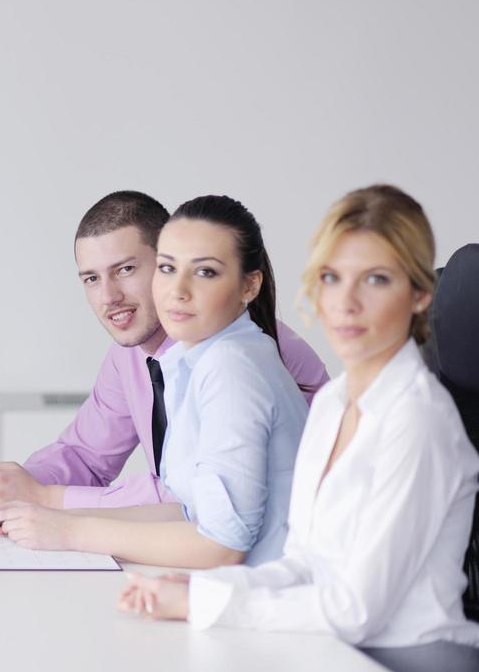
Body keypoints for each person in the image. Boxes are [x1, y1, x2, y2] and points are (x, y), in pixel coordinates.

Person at [121, 185, 479, 645]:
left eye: (376, 280)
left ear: (419, 296)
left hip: (410, 670)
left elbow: (356, 610)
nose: (346, 302)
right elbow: (305, 563)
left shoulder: (418, 420)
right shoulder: (333, 403)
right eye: (332, 278)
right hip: (333, 651)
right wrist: (204, 588)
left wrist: (204, 604)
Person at [0, 195, 310, 567]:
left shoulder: (232, 365)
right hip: (233, 592)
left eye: (205, 272)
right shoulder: (188, 361)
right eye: (169, 269)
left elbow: (223, 545)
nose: (178, 290)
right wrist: (47, 517)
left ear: (249, 286)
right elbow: (184, 509)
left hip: (266, 601)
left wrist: (69, 528)